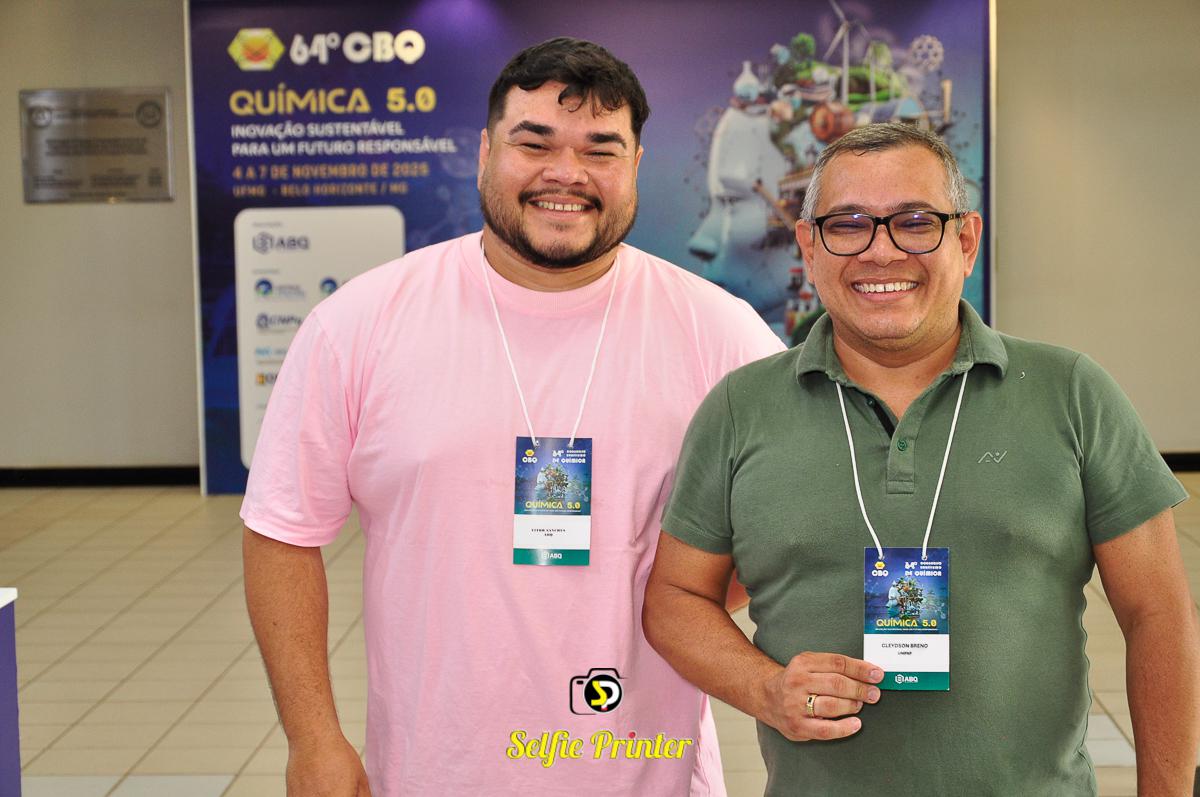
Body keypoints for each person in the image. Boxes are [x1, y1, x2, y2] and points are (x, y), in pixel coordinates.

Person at [241, 37, 784, 797]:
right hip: (436, 771)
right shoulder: (361, 323)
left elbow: (791, 525)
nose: (567, 173)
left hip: (648, 769)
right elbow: (282, 532)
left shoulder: (720, 333)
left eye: (600, 149)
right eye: (535, 143)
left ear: (634, 165)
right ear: (485, 153)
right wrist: (313, 738)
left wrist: (688, 598)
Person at [644, 122, 1199, 795]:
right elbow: (675, 598)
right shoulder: (741, 408)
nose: (881, 252)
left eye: (914, 222)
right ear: (809, 247)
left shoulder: (1072, 393)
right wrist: (764, 687)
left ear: (966, 240)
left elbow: (1157, 615)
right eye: (848, 225)